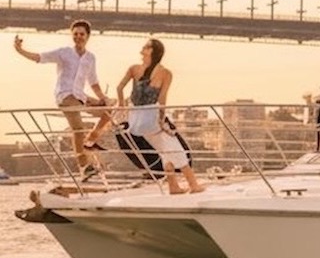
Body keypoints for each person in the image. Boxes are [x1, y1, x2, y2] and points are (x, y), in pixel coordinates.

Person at [13, 20, 111, 180]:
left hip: (80, 96)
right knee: (78, 129)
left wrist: (103, 98)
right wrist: (20, 50)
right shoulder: (64, 53)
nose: (78, 37)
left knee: (109, 111)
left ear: (88, 36)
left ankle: (90, 141)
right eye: (75, 34)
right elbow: (40, 57)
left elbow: (93, 82)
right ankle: (84, 166)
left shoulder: (90, 58)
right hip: (65, 96)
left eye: (81, 34)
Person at [116, 38, 204, 195]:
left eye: (145, 47)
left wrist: (122, 105)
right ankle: (194, 185)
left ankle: (173, 186)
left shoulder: (133, 69)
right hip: (152, 119)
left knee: (164, 150)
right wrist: (162, 121)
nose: (142, 49)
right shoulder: (165, 73)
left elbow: (119, 88)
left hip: (136, 121)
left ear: (152, 50)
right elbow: (162, 100)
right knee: (176, 149)